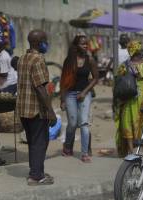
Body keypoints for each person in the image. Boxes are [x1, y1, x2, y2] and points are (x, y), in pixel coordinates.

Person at [16, 29, 57, 185]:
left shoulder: (22, 59)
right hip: (36, 110)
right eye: (45, 40)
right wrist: (50, 111)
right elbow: (40, 88)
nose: (46, 43)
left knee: (33, 142)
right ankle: (36, 177)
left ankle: (36, 171)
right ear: (38, 43)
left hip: (23, 109)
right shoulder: (38, 59)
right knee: (40, 142)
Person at [115, 40, 143, 157]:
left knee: (134, 124)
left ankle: (135, 151)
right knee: (139, 124)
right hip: (133, 100)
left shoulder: (126, 65)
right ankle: (136, 151)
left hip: (136, 101)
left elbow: (117, 83)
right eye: (138, 50)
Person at [60, 35, 98, 163]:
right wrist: (62, 100)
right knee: (72, 123)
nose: (85, 46)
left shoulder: (90, 60)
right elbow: (63, 81)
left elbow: (95, 78)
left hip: (84, 94)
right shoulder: (69, 61)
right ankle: (67, 146)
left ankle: (84, 153)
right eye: (82, 44)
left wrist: (84, 92)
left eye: (86, 44)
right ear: (76, 46)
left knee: (84, 123)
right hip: (70, 94)